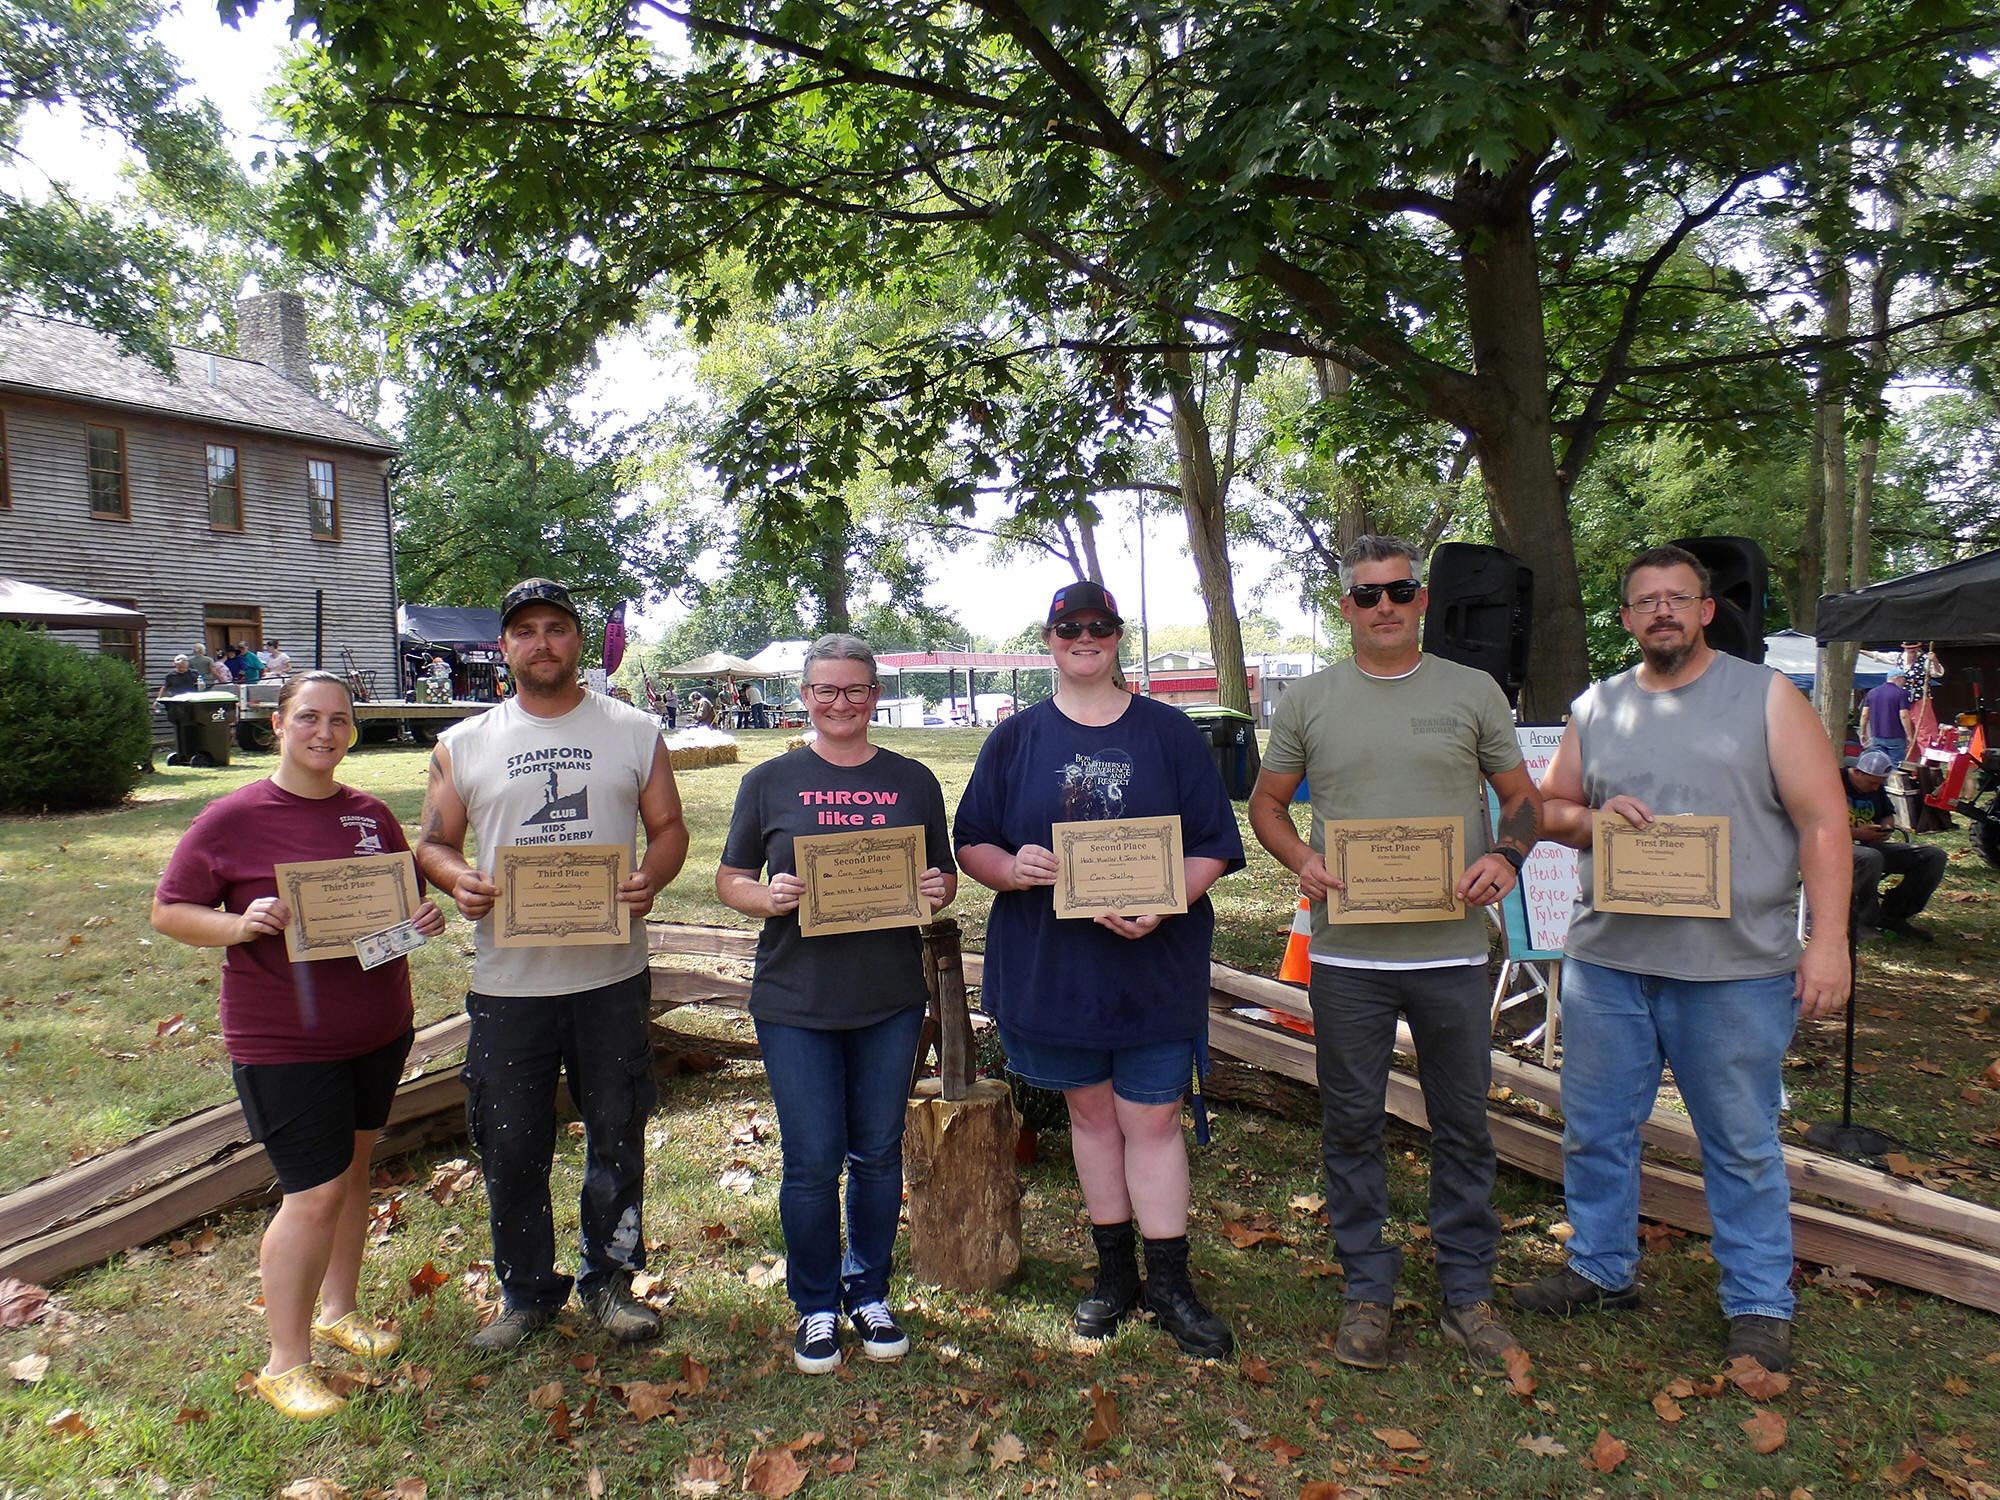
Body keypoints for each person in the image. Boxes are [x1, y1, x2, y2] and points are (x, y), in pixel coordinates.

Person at [1514, 544, 1851, 1375]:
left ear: (1706, 610)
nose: (1662, 611)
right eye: (1646, 600)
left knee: (1740, 1143)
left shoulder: (1767, 697)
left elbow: (1823, 822)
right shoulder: (1597, 706)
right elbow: (1550, 809)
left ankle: (1759, 1301)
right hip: (1609, 962)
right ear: (1627, 618)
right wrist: (1592, 820)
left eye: (1678, 597)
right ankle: (1601, 1267)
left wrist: (1829, 940)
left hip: (1735, 969)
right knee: (1596, 1131)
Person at [1247, 535, 1540, 1373]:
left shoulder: (1473, 690)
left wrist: (1506, 856)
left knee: (1464, 1124)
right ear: (1346, 607)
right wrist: (1300, 859)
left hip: (1451, 953)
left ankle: (1467, 1292)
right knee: (1350, 1125)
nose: (1385, 607)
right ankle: (1367, 1290)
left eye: (1400, 591)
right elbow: (1267, 805)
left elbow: (1521, 799)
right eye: (1368, 595)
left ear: (1421, 600)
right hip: (1349, 960)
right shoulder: (1310, 700)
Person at [956, 581, 1244, 1359]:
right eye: (1069, 628)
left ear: (1117, 636)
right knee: (1090, 1116)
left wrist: (1169, 900)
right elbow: (971, 840)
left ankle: (1171, 1282)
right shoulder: (1015, 739)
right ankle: (1115, 1272)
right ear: (1049, 639)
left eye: (1100, 626)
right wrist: (1010, 868)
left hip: (1153, 967)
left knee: (1152, 1119)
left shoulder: (1169, 733)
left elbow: (1214, 843)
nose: (1085, 638)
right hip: (1058, 969)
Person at [152, 671, 448, 1419]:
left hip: (378, 1027)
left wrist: (418, 926)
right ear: (277, 725)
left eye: (339, 720)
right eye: (309, 718)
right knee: (312, 1192)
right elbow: (170, 910)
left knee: (352, 1174)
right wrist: (237, 924)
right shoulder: (233, 816)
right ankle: (284, 1362)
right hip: (285, 1040)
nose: (325, 732)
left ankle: (340, 1311)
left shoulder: (370, 815)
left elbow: (387, 922)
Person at [416, 577, 691, 1352]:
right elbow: (432, 842)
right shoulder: (463, 743)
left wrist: (651, 877)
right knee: (511, 1142)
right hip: (510, 983)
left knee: (617, 1133)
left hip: (610, 977)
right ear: (504, 646)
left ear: (578, 640)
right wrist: (458, 878)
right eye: (526, 631)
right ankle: (526, 1291)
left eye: (557, 628)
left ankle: (610, 1281)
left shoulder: (634, 730)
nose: (542, 643)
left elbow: (669, 827)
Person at [716, 634, 956, 1373]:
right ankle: (816, 1304)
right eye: (826, 690)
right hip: (796, 998)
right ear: (805, 696)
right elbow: (730, 879)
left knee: (878, 1154)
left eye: (855, 689)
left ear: (874, 694)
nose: (841, 703)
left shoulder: (913, 780)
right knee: (813, 1160)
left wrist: (936, 888)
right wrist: (767, 897)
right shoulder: (769, 780)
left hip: (888, 996)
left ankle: (869, 1291)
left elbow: (943, 874)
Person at [1845, 748, 1945, 942]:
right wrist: (1856, 833)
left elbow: (1887, 814)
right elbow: (1818, 827)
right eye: (1872, 783)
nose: (1875, 788)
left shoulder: (1875, 787)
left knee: (1934, 856)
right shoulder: (1834, 782)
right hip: (1836, 848)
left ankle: (1893, 915)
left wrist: (1886, 828)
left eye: (1879, 784)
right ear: (1857, 772)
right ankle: (1862, 923)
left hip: (1870, 845)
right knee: (1870, 858)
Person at [1858, 673, 1914, 764]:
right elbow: (1904, 715)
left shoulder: (1872, 693)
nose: (1904, 683)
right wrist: (1909, 735)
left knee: (1878, 764)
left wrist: (1863, 733)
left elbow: (1864, 715)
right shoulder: (1901, 693)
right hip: (1896, 736)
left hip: (1876, 735)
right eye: (1904, 680)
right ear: (1897, 678)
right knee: (1896, 764)